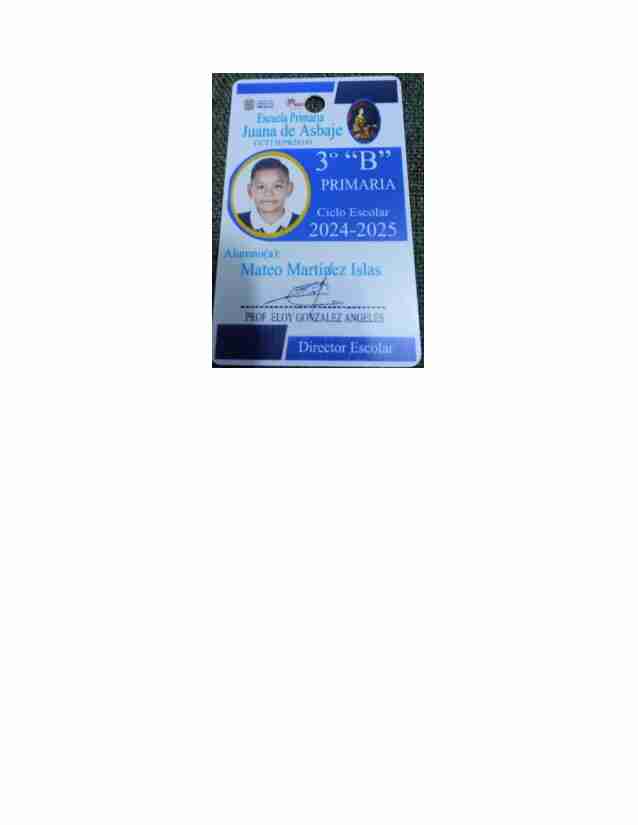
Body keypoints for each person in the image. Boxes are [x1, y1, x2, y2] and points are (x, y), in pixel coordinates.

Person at [238, 158, 300, 233]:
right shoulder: (238, 221)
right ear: (250, 190)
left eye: (277, 186)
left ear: (289, 189)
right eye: (261, 187)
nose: (268, 194)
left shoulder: (302, 222)